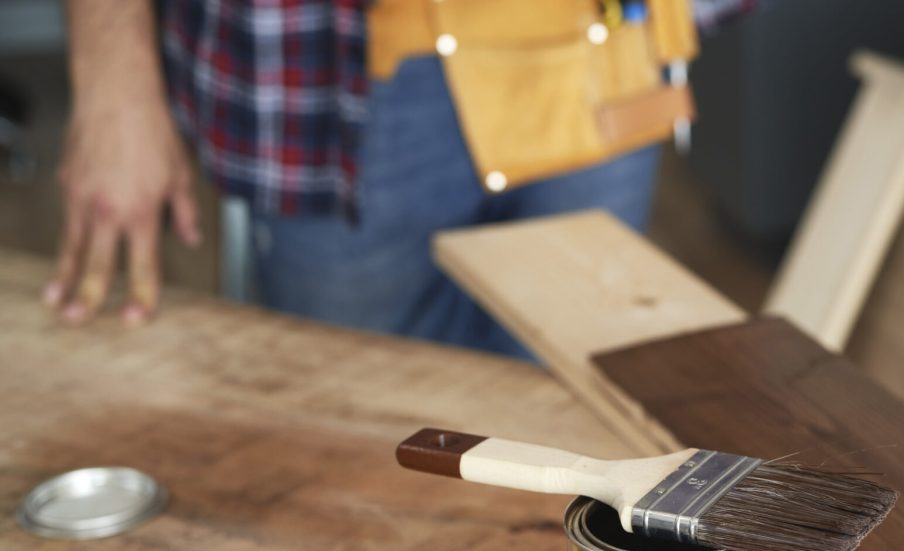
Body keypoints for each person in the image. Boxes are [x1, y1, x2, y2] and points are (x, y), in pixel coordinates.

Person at [44, 0, 697, 355]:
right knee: (364, 440)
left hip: (602, 39)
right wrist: (112, 79)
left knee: (578, 418)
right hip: (334, 68)